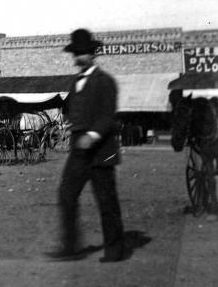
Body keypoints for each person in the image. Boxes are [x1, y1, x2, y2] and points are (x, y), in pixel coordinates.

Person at [47, 28, 125, 263]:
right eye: (75, 53)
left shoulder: (105, 81)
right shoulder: (75, 83)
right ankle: (70, 248)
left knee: (106, 200)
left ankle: (115, 251)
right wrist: (73, 127)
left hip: (102, 151)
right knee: (67, 194)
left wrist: (92, 134)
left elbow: (107, 115)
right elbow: (71, 109)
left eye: (82, 53)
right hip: (78, 151)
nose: (77, 58)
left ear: (92, 54)